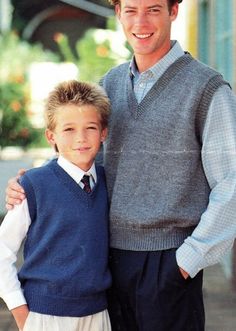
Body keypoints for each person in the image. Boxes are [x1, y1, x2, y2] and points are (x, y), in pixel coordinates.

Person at [5, 0, 236, 330]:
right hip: (106, 264)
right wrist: (30, 183)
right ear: (118, 14)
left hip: (168, 264)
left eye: (153, 9)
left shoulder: (206, 89)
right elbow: (81, 159)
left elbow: (231, 185)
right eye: (130, 9)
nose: (140, 21)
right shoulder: (108, 86)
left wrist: (187, 261)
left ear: (174, 11)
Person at [0, 80, 112, 331]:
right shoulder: (32, 185)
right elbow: (1, 252)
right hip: (45, 316)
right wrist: (21, 313)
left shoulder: (107, 182)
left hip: (98, 315)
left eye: (91, 128)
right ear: (51, 136)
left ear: (104, 132)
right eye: (69, 129)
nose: (81, 138)